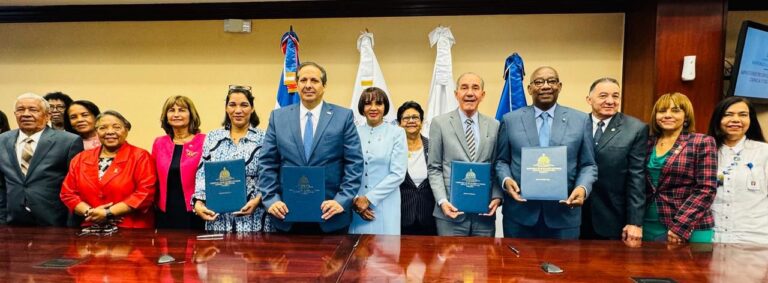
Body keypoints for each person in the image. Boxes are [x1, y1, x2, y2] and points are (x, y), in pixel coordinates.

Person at [259, 61, 364, 234]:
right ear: (296, 84)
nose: (308, 85)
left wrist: (341, 200)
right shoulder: (278, 118)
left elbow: (354, 163)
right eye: (303, 80)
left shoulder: (343, 117)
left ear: (324, 86)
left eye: (314, 80)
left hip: (331, 216)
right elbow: (267, 163)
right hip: (286, 215)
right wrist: (271, 200)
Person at [495, 66, 597, 239]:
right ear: (529, 88)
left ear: (559, 86)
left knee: (564, 266)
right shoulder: (510, 120)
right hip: (520, 217)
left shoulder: (580, 120)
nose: (545, 86)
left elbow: (588, 164)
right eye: (539, 82)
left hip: (564, 216)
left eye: (551, 81)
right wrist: (506, 180)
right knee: (518, 267)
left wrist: (582, 188)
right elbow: (501, 161)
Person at [428, 72, 502, 237]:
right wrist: (442, 201)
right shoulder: (439, 123)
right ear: (456, 94)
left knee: (482, 262)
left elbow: (498, 165)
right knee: (450, 262)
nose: (470, 93)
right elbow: (434, 167)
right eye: (464, 87)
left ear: (482, 95)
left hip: (484, 215)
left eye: (475, 88)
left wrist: (497, 197)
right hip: (449, 212)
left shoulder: (494, 125)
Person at [192, 87, 273, 232]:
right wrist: (198, 202)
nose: (238, 110)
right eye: (232, 105)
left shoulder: (265, 138)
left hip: (254, 218)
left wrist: (258, 200)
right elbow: (202, 174)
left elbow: (270, 174)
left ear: (252, 108)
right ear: (226, 108)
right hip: (218, 219)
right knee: (220, 255)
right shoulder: (212, 137)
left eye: (244, 105)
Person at [60, 110, 156, 228]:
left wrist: (109, 213)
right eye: (103, 128)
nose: (110, 132)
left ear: (126, 130)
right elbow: (68, 193)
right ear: (96, 132)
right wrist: (90, 212)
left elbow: (145, 193)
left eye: (116, 127)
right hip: (90, 226)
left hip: (130, 227)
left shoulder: (140, 156)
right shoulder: (80, 158)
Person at [643, 92, 717, 244]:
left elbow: (706, 189)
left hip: (690, 226)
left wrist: (680, 226)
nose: (667, 115)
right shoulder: (647, 143)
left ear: (686, 116)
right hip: (648, 223)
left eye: (675, 110)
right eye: (662, 111)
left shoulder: (702, 142)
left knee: (693, 268)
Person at [0, 93, 83, 226]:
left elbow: (76, 187)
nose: (26, 114)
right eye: (20, 110)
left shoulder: (69, 141)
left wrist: (71, 224)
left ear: (47, 116)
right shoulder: (2, 140)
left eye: (33, 110)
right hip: (12, 222)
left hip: (54, 222)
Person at [580, 78, 648, 241]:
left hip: (612, 217)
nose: (610, 101)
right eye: (603, 95)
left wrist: (635, 222)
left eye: (615, 96)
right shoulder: (576, 124)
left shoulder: (635, 129)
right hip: (575, 215)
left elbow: (636, 178)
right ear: (589, 100)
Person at [707, 97, 768, 244]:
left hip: (754, 240)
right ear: (718, 119)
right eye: (728, 114)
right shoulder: (706, 152)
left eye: (743, 115)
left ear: (750, 119)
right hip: (712, 237)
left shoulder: (764, 152)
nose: (736, 120)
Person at [348, 87, 407, 235]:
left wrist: (368, 199)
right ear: (362, 107)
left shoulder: (397, 133)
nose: (373, 108)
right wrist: (356, 200)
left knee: (385, 253)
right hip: (356, 205)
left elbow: (398, 174)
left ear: (385, 107)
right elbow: (346, 168)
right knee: (357, 253)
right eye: (368, 104)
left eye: (379, 104)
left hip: (386, 204)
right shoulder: (353, 132)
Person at [152, 95, 205, 230]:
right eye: (171, 110)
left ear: (191, 115)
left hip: (196, 210)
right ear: (166, 116)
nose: (176, 114)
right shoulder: (159, 143)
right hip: (165, 212)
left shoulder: (205, 141)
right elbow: (153, 178)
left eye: (181, 110)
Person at [397, 101, 438, 235]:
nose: (411, 121)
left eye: (415, 117)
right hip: (401, 216)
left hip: (429, 216)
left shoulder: (433, 146)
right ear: (399, 123)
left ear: (421, 121)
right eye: (406, 118)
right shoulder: (394, 149)